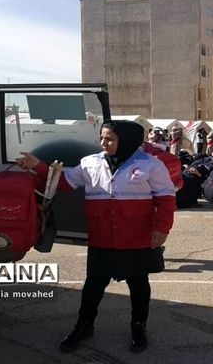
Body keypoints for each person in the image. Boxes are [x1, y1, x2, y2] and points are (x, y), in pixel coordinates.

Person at [16, 120, 176, 354]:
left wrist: (162, 229)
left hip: (136, 236)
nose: (103, 143)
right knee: (93, 284)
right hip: (102, 236)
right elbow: (63, 183)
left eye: (110, 139)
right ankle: (84, 325)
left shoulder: (151, 164)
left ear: (127, 140)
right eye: (101, 138)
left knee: (138, 283)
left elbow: (166, 199)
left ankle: (138, 326)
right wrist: (38, 165)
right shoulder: (90, 163)